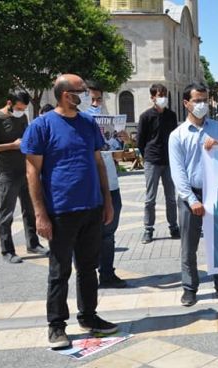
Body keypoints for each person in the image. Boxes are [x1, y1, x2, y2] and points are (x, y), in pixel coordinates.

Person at [21, 74, 118, 349]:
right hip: (60, 211)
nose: (87, 95)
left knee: (88, 268)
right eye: (82, 91)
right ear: (66, 95)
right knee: (59, 270)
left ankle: (89, 316)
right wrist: (40, 214)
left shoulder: (88, 123)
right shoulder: (41, 126)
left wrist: (107, 201)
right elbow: (32, 172)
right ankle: (56, 325)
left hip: (92, 207)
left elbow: (99, 162)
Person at [169, 82, 218, 307]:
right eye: (197, 100)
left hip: (217, 193)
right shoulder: (177, 135)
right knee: (189, 246)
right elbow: (178, 172)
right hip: (191, 195)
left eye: (204, 100)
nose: (202, 104)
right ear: (186, 103)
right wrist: (191, 199)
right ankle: (190, 288)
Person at [0, 91, 50, 264]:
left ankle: (33, 244)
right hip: (8, 175)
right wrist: (11, 145)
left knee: (30, 211)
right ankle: (7, 250)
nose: (21, 111)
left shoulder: (22, 118)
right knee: (6, 214)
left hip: (26, 172)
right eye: (19, 108)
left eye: (24, 109)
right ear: (9, 102)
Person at [85, 82, 127, 288]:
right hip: (88, 187)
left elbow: (117, 155)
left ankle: (107, 274)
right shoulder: (78, 123)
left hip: (110, 183)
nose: (95, 103)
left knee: (109, 233)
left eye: (98, 99)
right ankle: (87, 275)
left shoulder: (108, 121)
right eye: (91, 99)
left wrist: (123, 141)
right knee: (88, 233)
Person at [137, 83, 180, 244]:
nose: (163, 98)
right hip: (152, 161)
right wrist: (147, 156)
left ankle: (173, 226)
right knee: (150, 198)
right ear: (152, 97)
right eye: (159, 95)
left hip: (169, 161)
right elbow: (140, 141)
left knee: (171, 197)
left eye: (164, 94)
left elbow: (175, 138)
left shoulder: (171, 115)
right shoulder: (146, 116)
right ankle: (148, 229)